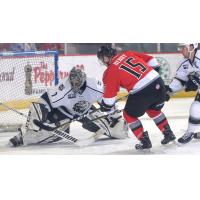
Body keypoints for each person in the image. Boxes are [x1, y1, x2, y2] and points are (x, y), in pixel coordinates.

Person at [9, 67, 129, 147]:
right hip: (63, 113)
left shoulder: (95, 86)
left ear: (84, 79)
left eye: (78, 83)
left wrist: (115, 116)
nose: (75, 86)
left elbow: (108, 101)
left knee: (116, 131)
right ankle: (23, 136)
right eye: (73, 83)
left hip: (85, 112)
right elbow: (45, 101)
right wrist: (42, 116)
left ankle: (121, 127)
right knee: (50, 135)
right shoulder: (63, 87)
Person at [97, 46, 176, 150]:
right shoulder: (128, 53)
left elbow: (109, 100)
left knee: (128, 114)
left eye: (102, 58)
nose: (103, 61)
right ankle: (168, 133)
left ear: (106, 58)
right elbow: (153, 60)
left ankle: (144, 140)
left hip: (142, 92)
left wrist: (105, 106)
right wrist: (151, 80)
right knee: (153, 109)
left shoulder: (110, 71)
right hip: (158, 82)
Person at [165, 43, 200, 144]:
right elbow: (180, 79)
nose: (181, 51)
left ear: (192, 47)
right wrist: (169, 90)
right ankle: (190, 132)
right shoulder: (184, 62)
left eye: (183, 48)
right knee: (196, 108)